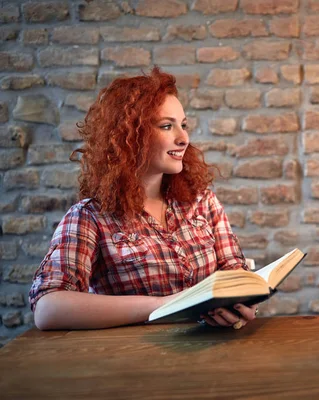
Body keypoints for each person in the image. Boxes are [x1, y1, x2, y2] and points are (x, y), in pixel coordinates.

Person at [29, 67, 257, 330]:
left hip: (215, 352)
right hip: (132, 360)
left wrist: (243, 302)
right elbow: (48, 308)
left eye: (183, 125)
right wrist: (167, 304)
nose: (183, 138)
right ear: (131, 137)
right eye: (166, 126)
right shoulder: (90, 217)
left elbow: (235, 273)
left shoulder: (203, 203)